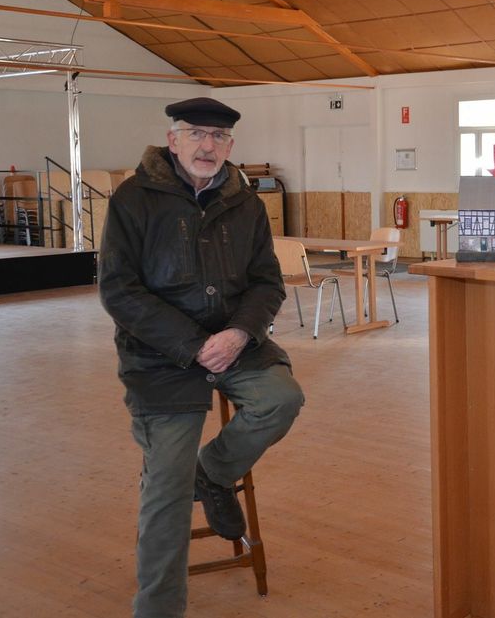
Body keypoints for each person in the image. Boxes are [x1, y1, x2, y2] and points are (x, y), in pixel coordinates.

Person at [99, 97, 304, 618]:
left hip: (237, 343)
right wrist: (193, 345)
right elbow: (119, 290)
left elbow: (266, 282)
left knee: (281, 399)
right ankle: (159, 608)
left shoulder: (246, 201)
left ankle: (211, 472)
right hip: (161, 356)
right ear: (173, 140)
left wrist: (238, 332)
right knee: (166, 493)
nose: (207, 146)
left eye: (217, 137)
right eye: (196, 134)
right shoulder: (133, 199)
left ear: (230, 146)